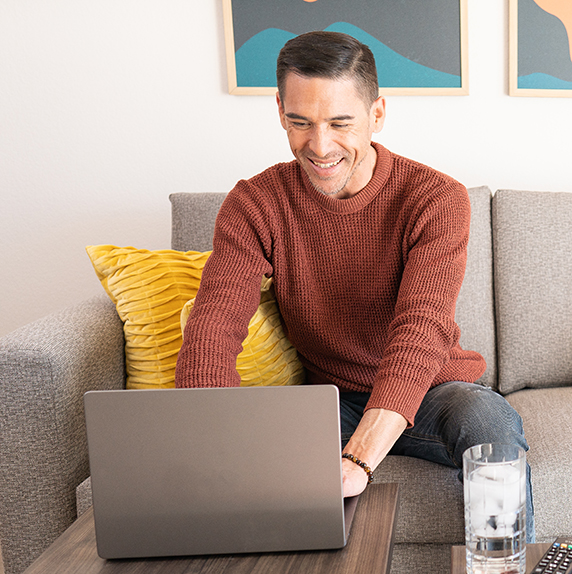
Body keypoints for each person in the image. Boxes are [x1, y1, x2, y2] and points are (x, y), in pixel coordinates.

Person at [175, 31, 534, 539]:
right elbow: (215, 325)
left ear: (378, 114)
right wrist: (202, 445)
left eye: (340, 123)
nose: (320, 147)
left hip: (435, 391)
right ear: (280, 110)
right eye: (300, 122)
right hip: (328, 400)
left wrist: (359, 460)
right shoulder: (254, 204)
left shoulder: (436, 199)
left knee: (487, 421)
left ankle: (502, 568)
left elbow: (420, 329)